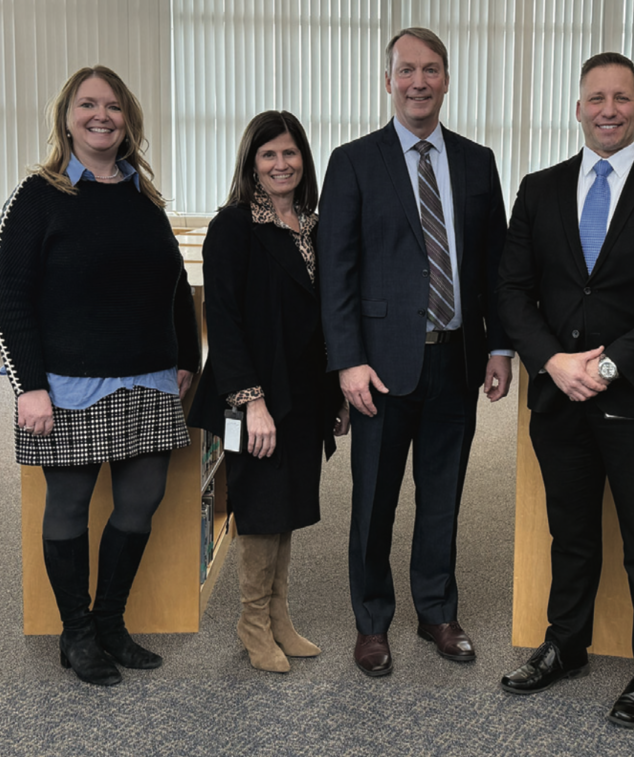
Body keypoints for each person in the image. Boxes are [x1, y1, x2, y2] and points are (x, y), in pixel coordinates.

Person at [496, 52, 634, 726]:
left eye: (622, 97)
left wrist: (612, 364)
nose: (609, 109)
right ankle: (566, 643)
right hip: (558, 395)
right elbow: (509, 288)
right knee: (571, 529)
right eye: (597, 97)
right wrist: (552, 362)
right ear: (579, 108)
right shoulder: (539, 188)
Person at [0, 65, 200, 686]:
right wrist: (27, 386)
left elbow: (173, 285)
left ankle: (109, 622)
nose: (101, 115)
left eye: (113, 105)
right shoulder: (38, 195)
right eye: (88, 104)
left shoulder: (143, 199)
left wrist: (186, 356)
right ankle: (75, 634)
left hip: (150, 380)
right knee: (70, 508)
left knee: (141, 504)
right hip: (68, 386)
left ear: (128, 118)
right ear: (68, 117)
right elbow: (8, 297)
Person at [318, 27, 512, 677]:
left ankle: (436, 610)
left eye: (431, 70)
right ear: (388, 80)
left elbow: (496, 266)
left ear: (447, 80)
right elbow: (336, 273)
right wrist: (346, 360)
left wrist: (501, 345)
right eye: (406, 70)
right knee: (374, 500)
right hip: (379, 365)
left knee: (443, 496)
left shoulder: (478, 162)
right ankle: (372, 620)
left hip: (457, 359)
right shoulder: (352, 161)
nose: (419, 82)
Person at [188, 111, 348, 674]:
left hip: (306, 393)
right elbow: (225, 319)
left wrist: (339, 395)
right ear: (252, 164)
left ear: (304, 158)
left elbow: (331, 315)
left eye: (290, 153)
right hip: (254, 396)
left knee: (288, 506)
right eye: (269, 155)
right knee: (259, 507)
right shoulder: (233, 226)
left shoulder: (315, 224)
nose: (282, 164)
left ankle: (279, 616)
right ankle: (252, 622)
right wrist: (251, 401)